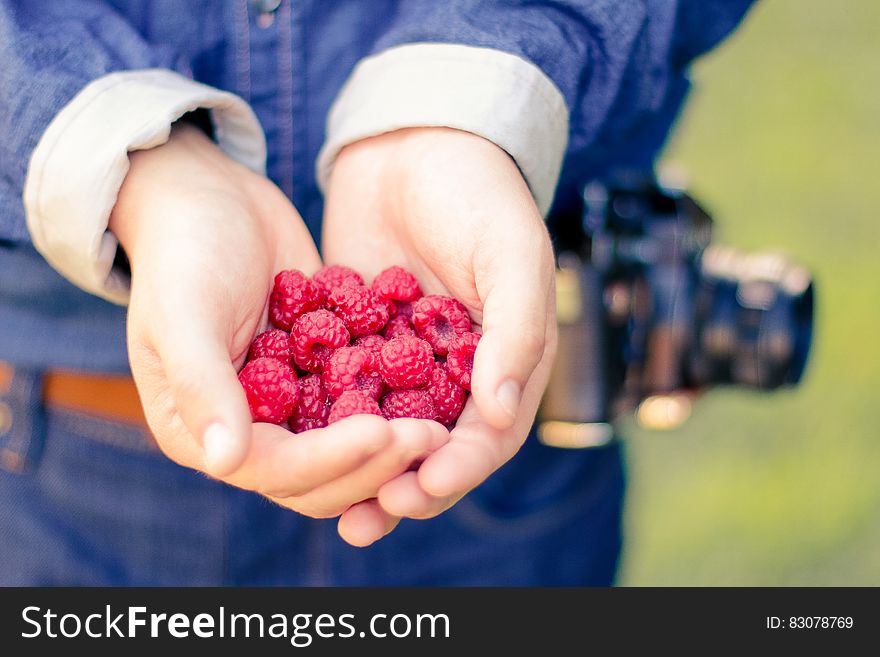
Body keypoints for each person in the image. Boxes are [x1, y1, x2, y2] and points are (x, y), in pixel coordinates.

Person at [0, 0, 754, 585]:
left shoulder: (396, 343)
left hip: (512, 451)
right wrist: (132, 161)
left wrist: (470, 98)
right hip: (58, 462)